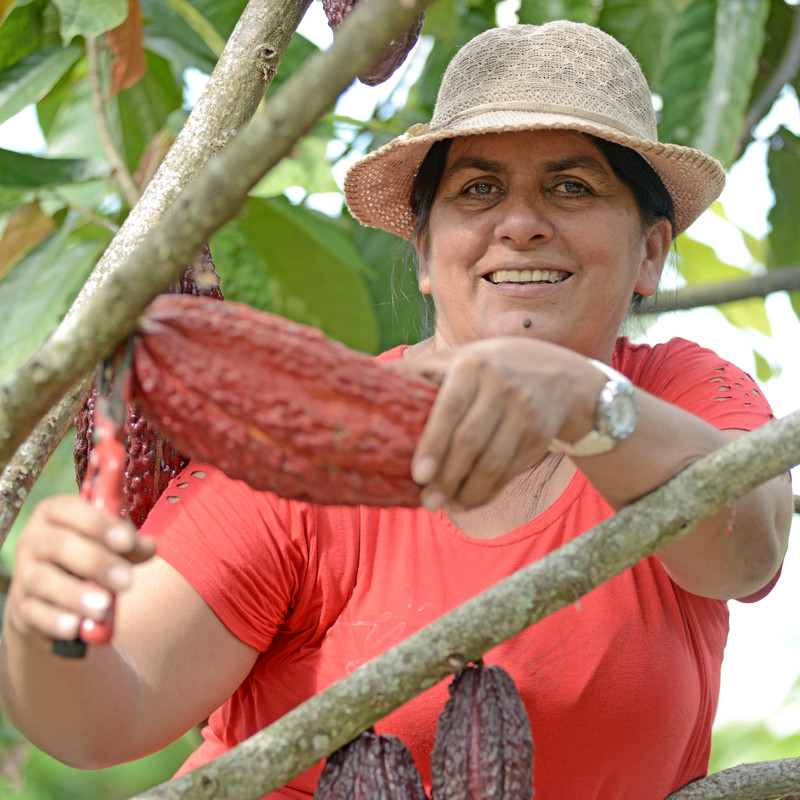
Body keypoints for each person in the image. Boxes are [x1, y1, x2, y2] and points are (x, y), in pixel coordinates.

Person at [0, 20, 792, 800]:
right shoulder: (312, 441)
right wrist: (49, 631)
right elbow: (103, 720)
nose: (520, 224)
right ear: (422, 251)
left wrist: (586, 400)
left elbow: (745, 552)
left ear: (650, 251)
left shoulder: (681, 395)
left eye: (571, 187)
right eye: (479, 190)